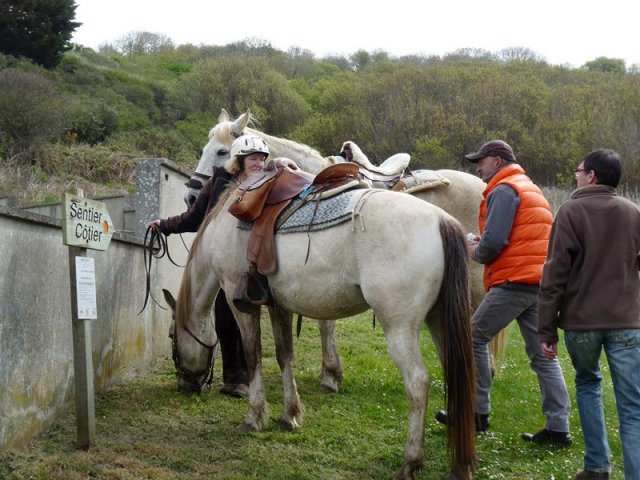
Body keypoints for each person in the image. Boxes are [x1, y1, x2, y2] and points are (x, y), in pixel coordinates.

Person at [435, 139, 572, 444]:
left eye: (480, 161)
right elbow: (522, 237)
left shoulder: (504, 190)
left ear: (496, 161)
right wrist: (483, 241)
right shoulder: (529, 187)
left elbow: (494, 244)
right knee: (542, 355)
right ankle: (558, 426)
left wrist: (473, 249)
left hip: (514, 281)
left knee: (473, 336)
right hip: (538, 281)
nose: (477, 168)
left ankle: (476, 412)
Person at [538, 149, 640, 480]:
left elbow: (554, 274)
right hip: (627, 322)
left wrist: (546, 329)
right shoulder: (633, 212)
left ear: (592, 175)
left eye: (578, 171)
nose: (576, 176)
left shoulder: (570, 211)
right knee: (632, 406)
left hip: (581, 323)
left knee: (587, 383)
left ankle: (597, 466)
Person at [149, 134, 270, 398]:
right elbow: (195, 218)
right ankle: (232, 378)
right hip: (223, 263)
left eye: (262, 159)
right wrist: (164, 225)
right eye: (253, 158)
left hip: (251, 262)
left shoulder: (266, 183)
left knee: (245, 320)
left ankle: (246, 378)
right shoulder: (219, 181)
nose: (258, 163)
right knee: (225, 320)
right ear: (239, 160)